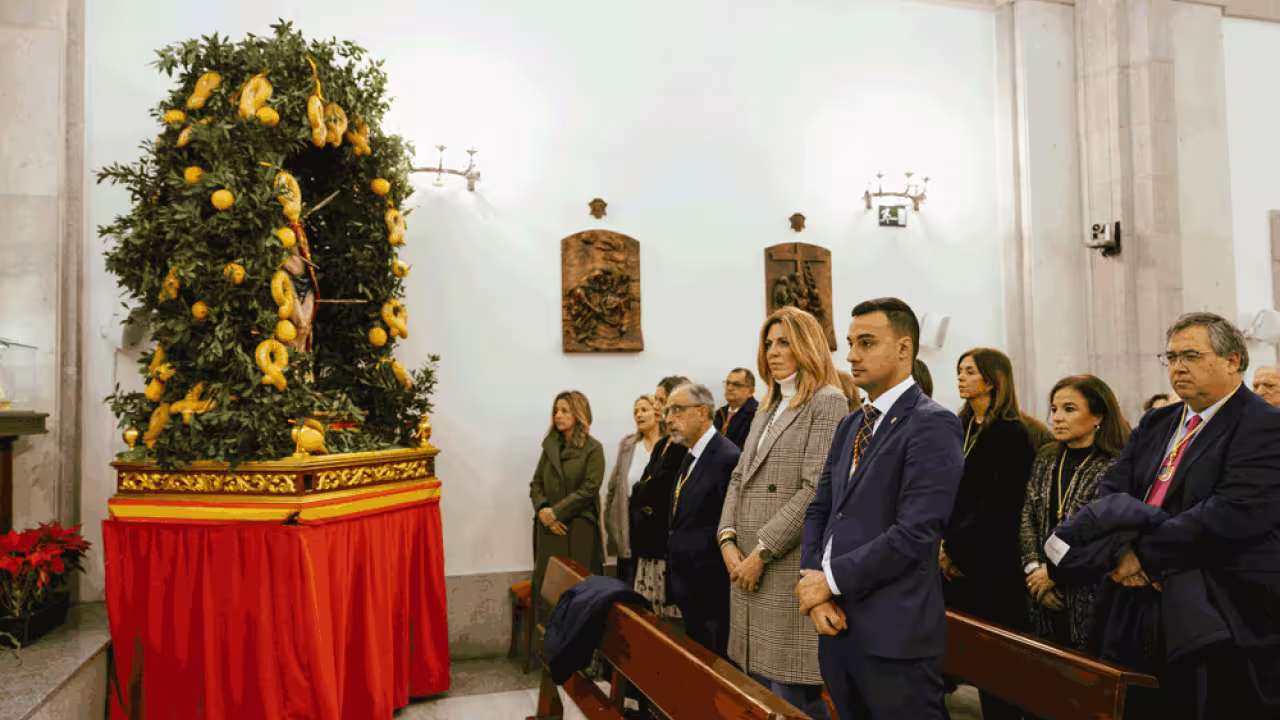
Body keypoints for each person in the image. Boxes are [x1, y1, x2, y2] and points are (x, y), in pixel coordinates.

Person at [1092, 312, 1280, 719]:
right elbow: (1111, 490)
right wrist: (1121, 549)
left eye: (1191, 356)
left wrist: (1142, 555)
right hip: (1136, 598)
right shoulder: (1158, 421)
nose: (1177, 367)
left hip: (1219, 604)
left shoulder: (1264, 424)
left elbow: (1232, 512)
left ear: (1232, 360)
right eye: (1172, 357)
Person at [798, 297, 964, 719]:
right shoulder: (850, 424)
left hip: (894, 635)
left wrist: (829, 581)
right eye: (851, 343)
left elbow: (916, 532)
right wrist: (815, 591)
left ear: (904, 348)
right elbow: (821, 510)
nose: (852, 355)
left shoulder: (931, 423)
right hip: (837, 625)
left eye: (867, 343)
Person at [717, 306, 846, 719]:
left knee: (793, 696)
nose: (772, 352)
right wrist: (727, 540)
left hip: (783, 566)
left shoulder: (827, 402)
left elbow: (814, 491)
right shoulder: (768, 404)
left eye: (784, 343)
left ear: (807, 346)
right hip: (746, 568)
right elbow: (739, 476)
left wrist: (760, 553)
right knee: (760, 694)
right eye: (768, 343)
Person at [941, 347, 1036, 720]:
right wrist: (942, 545)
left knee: (997, 665)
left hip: (992, 562)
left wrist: (956, 549)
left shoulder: (1011, 433)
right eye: (959, 370)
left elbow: (1002, 503)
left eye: (970, 371)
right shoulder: (958, 426)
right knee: (962, 654)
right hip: (952, 554)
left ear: (993, 381)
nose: (961, 377)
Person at [1019, 375, 1130, 654]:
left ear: (1098, 416)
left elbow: (1104, 536)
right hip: (1039, 587)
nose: (1057, 418)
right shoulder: (1046, 457)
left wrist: (1056, 575)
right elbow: (1029, 516)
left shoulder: (1114, 465)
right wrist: (1034, 570)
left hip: (1089, 591)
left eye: (1069, 409)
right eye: (1054, 409)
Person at [664, 383, 740, 657]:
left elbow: (729, 522)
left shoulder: (726, 457)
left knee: (714, 659)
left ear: (701, 411)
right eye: (667, 412)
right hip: (688, 582)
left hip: (711, 587)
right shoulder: (690, 455)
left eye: (677, 410)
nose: (669, 419)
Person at [530, 391, 605, 600]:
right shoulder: (550, 447)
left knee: (578, 591)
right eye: (556, 411)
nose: (558, 416)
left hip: (578, 528)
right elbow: (536, 484)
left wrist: (556, 513)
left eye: (564, 411)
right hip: (549, 528)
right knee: (547, 591)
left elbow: (589, 488)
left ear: (579, 414)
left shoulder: (593, 449)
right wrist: (543, 510)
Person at [629, 376, 691, 619]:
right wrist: (644, 490)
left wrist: (644, 491)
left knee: (666, 620)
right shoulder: (662, 444)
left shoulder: (683, 446)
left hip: (666, 546)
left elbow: (660, 490)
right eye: (655, 399)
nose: (656, 406)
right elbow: (641, 489)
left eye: (661, 400)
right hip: (647, 542)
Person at [603, 395, 662, 586]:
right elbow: (613, 487)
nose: (639, 415)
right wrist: (611, 522)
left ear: (657, 412)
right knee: (628, 579)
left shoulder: (671, 445)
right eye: (635, 411)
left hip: (659, 521)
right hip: (631, 520)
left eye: (644, 410)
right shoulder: (629, 445)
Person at [714, 368, 759, 450]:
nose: (729, 388)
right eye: (728, 383)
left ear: (750, 391)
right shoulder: (718, 414)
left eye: (736, 384)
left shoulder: (757, 415)